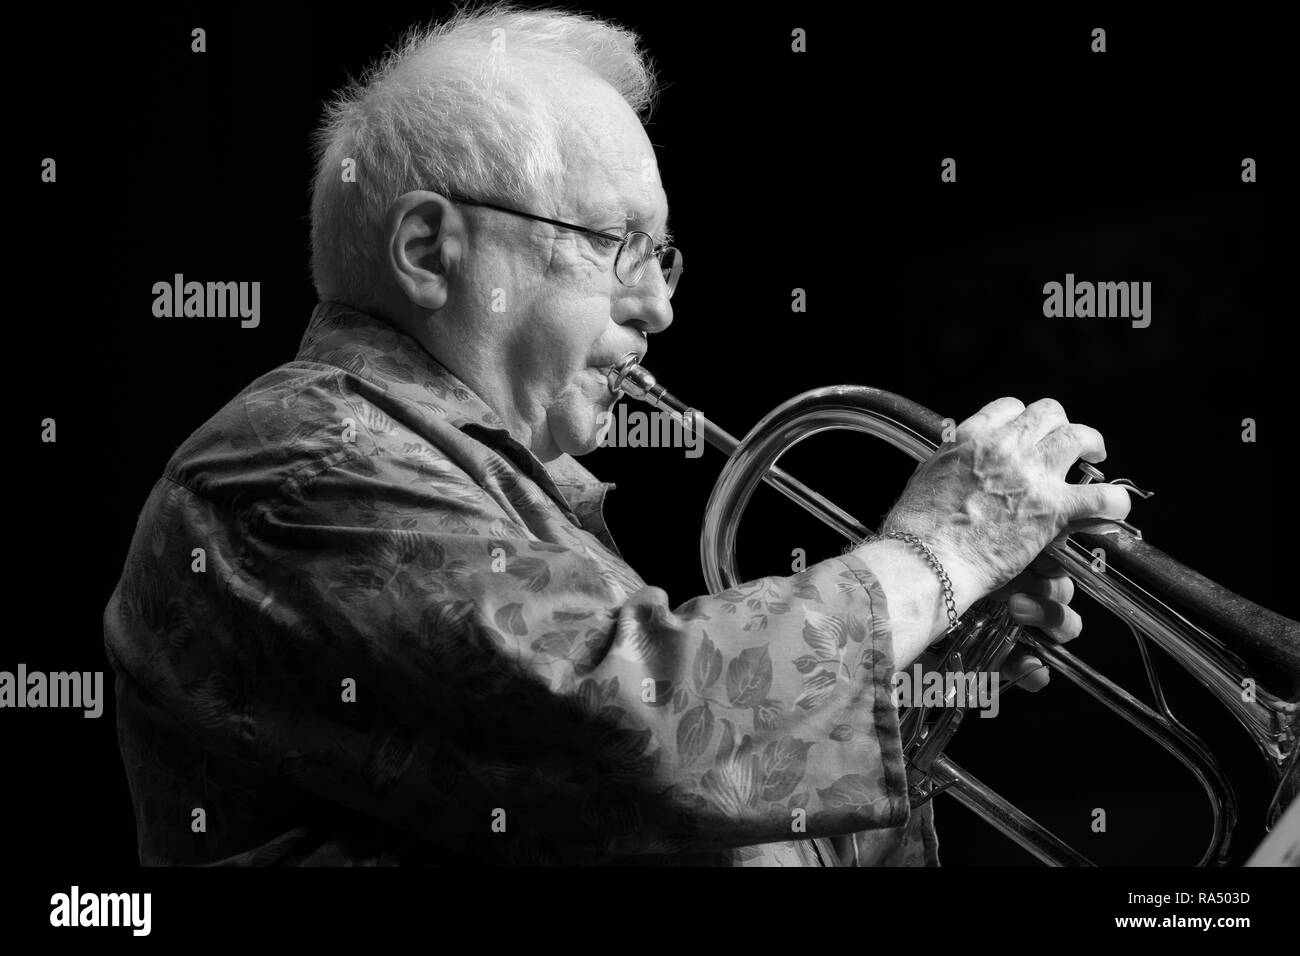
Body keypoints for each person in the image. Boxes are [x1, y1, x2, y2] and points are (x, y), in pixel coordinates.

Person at [103, 3, 1130, 866]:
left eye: (664, 255)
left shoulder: (514, 497)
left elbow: (704, 834)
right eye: (615, 245)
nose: (658, 307)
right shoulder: (302, 462)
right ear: (429, 248)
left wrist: (905, 672)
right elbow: (652, 725)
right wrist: (934, 553)